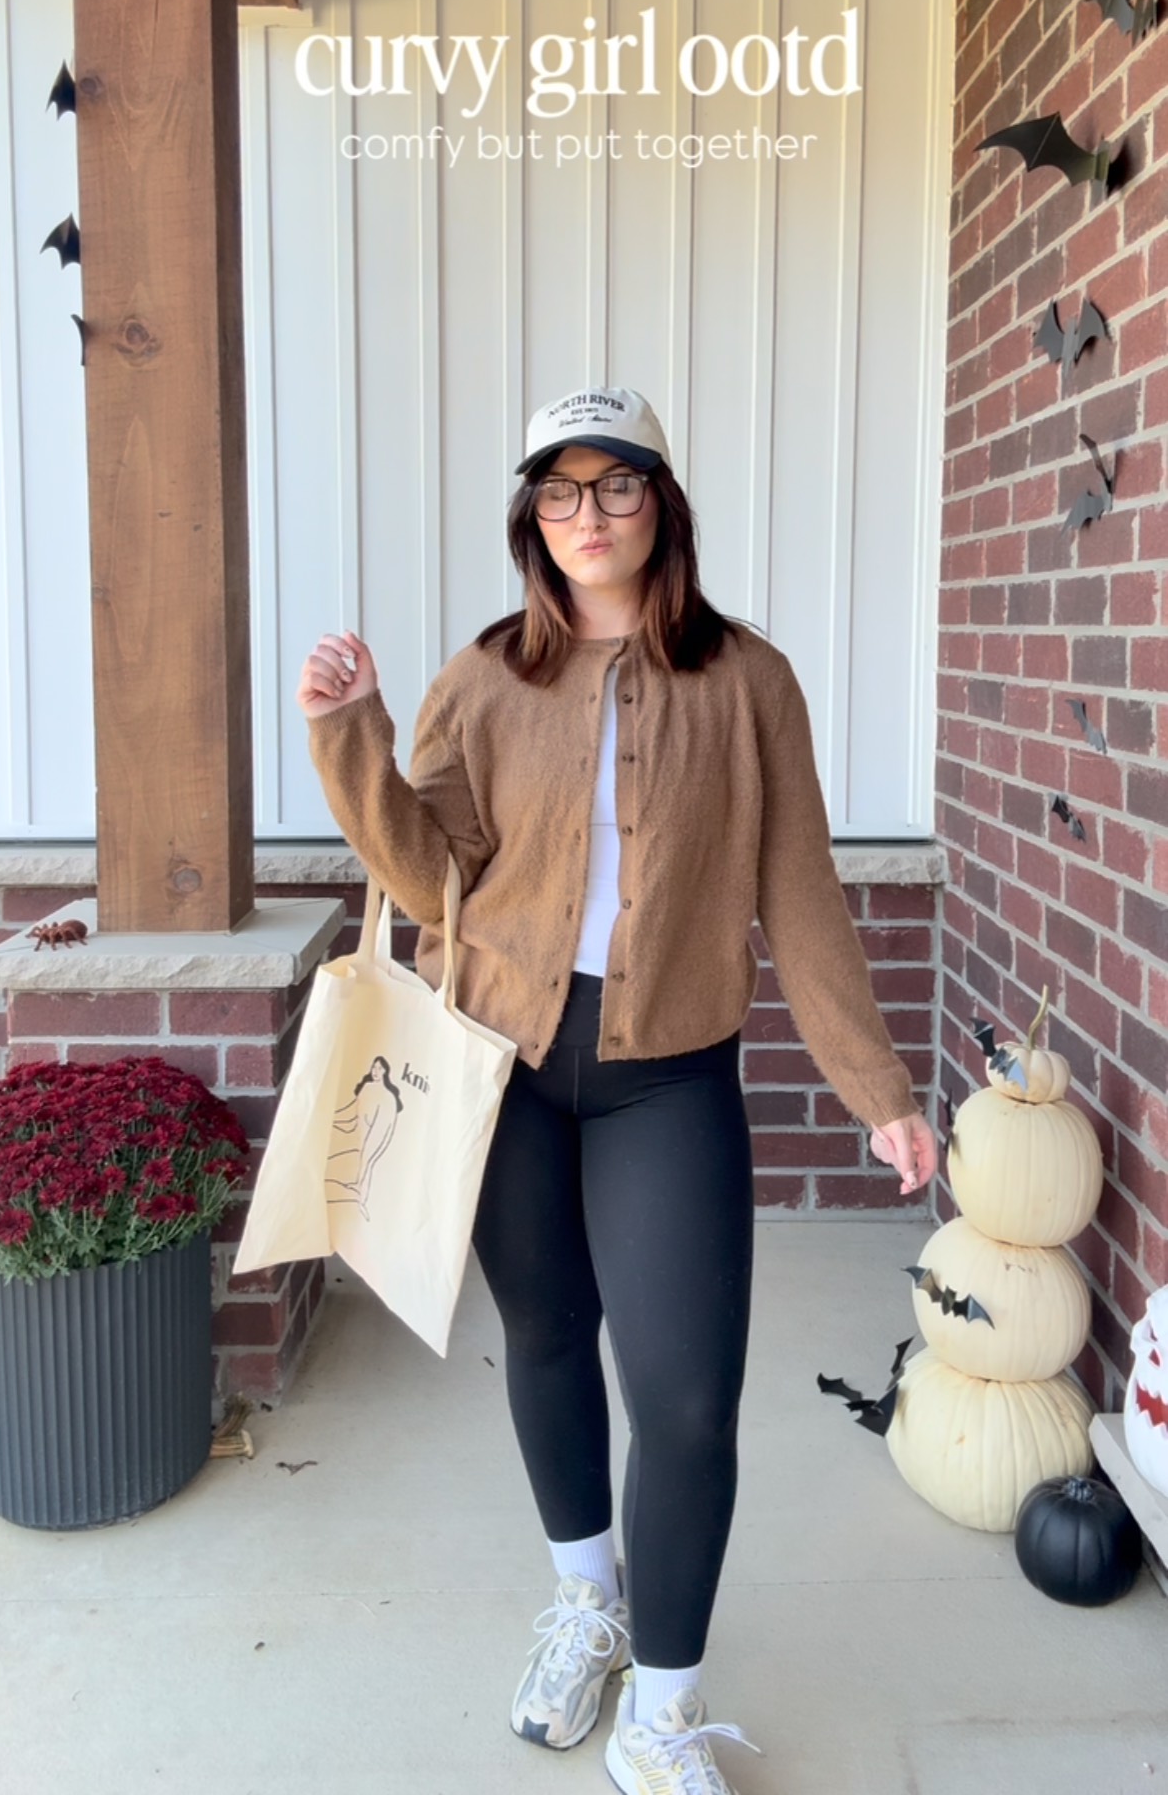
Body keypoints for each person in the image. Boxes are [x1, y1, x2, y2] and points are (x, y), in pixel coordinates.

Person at [298, 387, 937, 1795]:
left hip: (670, 1084)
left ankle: (664, 1711)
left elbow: (800, 894)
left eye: (617, 484)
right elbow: (431, 878)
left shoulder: (751, 682)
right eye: (560, 490)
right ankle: (588, 1601)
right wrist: (352, 735)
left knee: (688, 1401)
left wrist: (877, 1085)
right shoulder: (484, 679)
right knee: (544, 1341)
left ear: (663, 501)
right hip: (506, 1070)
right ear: (531, 516)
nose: (588, 515)